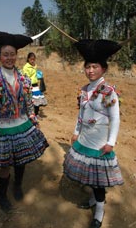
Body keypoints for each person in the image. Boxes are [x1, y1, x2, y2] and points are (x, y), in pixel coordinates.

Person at [0, 12, 50, 212]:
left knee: (21, 160)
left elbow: (28, 102)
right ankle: (2, 195)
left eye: (12, 54)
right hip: (3, 128)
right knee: (5, 165)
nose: (9, 58)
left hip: (22, 124)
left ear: (17, 56)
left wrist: (32, 117)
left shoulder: (23, 77)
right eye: (5, 54)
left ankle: (18, 186)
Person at [63, 39, 124, 228]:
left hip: (100, 145)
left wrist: (111, 143)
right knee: (90, 177)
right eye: (87, 67)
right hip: (85, 141)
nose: (90, 70)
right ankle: (93, 201)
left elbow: (115, 119)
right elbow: (81, 114)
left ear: (103, 69)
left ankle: (99, 211)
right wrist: (75, 132)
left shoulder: (108, 93)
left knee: (98, 183)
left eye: (94, 67)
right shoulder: (85, 90)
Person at [23, 52, 47, 118]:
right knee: (31, 100)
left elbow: (35, 75)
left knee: (38, 100)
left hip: (36, 85)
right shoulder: (26, 67)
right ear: (28, 59)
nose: (33, 61)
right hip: (29, 85)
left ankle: (36, 114)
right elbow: (25, 77)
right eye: (31, 59)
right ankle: (30, 114)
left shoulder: (35, 66)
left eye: (34, 59)